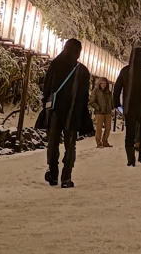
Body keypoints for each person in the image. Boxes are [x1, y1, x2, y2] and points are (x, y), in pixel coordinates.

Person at [39, 37, 92, 188]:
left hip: (55, 111)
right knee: (70, 145)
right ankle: (66, 177)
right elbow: (84, 97)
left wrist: (46, 105)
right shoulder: (82, 71)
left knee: (53, 143)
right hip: (72, 113)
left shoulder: (55, 65)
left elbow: (47, 88)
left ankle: (53, 174)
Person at [113, 44, 141, 165]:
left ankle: (130, 159)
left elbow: (117, 88)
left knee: (130, 133)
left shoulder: (126, 71)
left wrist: (117, 104)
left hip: (129, 107)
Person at [89, 77, 113, 148]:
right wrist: (98, 107)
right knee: (99, 129)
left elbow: (111, 100)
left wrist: (111, 106)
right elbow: (91, 102)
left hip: (108, 112)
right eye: (102, 83)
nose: (103, 85)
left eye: (104, 83)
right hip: (99, 113)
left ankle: (105, 141)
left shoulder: (108, 92)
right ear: (99, 84)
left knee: (108, 128)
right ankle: (98, 142)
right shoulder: (95, 91)